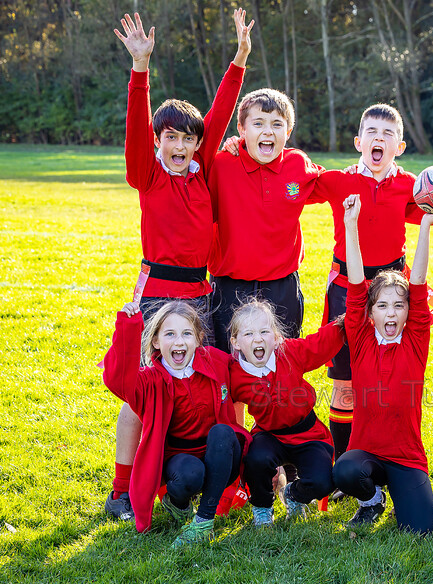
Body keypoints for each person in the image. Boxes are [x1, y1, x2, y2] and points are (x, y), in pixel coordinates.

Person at [105, 9, 252, 522]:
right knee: (140, 392)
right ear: (159, 140)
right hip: (156, 294)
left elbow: (217, 113)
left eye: (187, 139)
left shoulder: (203, 170)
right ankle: (123, 489)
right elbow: (135, 124)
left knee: (204, 385)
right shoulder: (147, 173)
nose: (180, 146)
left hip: (200, 294)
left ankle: (214, 474)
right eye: (170, 137)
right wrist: (140, 68)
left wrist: (238, 60)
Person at [331, 194, 433, 533]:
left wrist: (426, 226)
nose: (391, 312)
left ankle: (400, 492)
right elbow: (356, 286)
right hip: (365, 453)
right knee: (344, 470)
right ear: (370, 313)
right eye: (383, 306)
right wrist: (350, 224)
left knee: (420, 531)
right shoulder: (361, 339)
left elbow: (417, 284)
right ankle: (372, 500)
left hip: (405, 457)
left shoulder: (415, 339)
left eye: (399, 306)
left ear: (408, 312)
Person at [312, 104, 425, 466]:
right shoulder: (337, 180)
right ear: (359, 142)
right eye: (372, 133)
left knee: (390, 380)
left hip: (393, 292)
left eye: (388, 133)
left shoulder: (411, 186)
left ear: (400, 147)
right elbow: (291, 180)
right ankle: (344, 460)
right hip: (347, 288)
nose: (380, 138)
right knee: (345, 382)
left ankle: (391, 452)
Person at [102, 300, 252, 547]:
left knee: (224, 433)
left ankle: (203, 521)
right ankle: (178, 504)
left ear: (199, 339)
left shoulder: (216, 361)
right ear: (156, 342)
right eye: (170, 334)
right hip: (179, 460)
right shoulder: (150, 380)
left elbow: (250, 380)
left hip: (221, 455)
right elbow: (117, 379)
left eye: (186, 334)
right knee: (190, 474)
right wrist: (128, 328)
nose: (179, 341)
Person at [208, 88, 324, 352]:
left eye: (277, 124)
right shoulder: (222, 164)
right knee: (228, 360)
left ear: (288, 132)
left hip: (281, 286)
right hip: (229, 285)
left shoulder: (298, 164)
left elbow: (331, 186)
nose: (268, 131)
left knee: (281, 360)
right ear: (242, 129)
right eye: (258, 123)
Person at [228, 299, 345, 526]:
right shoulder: (234, 373)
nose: (258, 338)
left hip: (307, 433)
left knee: (324, 481)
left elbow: (320, 343)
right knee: (255, 459)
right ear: (236, 343)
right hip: (269, 434)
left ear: (276, 337)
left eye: (264, 331)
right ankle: (262, 506)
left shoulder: (289, 352)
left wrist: (346, 322)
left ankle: (293, 495)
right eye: (249, 334)